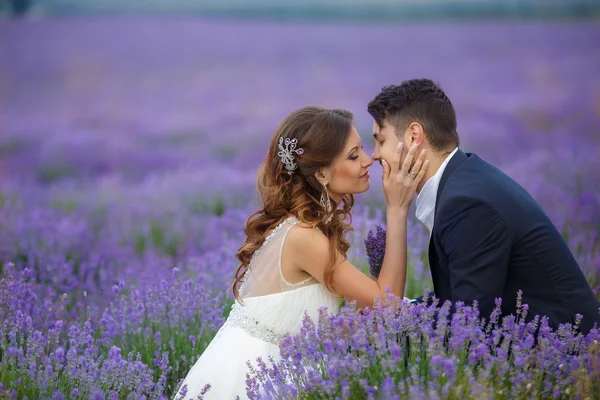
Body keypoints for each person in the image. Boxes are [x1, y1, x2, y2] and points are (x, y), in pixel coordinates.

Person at [174, 106, 428, 399]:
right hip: (256, 378)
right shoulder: (303, 236)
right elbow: (387, 305)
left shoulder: (299, 227)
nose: (368, 160)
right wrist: (397, 209)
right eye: (354, 155)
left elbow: (319, 323)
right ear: (321, 173)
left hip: (265, 370)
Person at [368, 78, 600, 333]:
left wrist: (391, 327)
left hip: (566, 350)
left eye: (381, 141)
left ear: (414, 136)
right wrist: (408, 308)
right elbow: (461, 297)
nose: (375, 155)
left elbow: (468, 321)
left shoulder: (466, 204)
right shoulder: (465, 178)